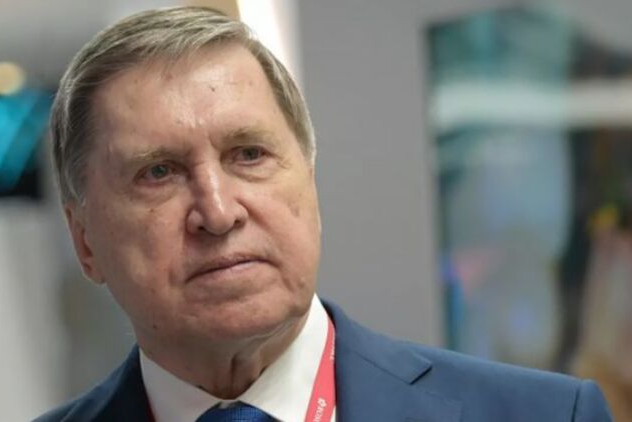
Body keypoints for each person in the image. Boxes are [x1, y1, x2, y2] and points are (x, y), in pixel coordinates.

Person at [36, 6, 612, 422]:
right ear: (85, 242)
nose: (218, 212)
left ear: (310, 180)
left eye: (249, 155)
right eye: (159, 172)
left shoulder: (546, 414)